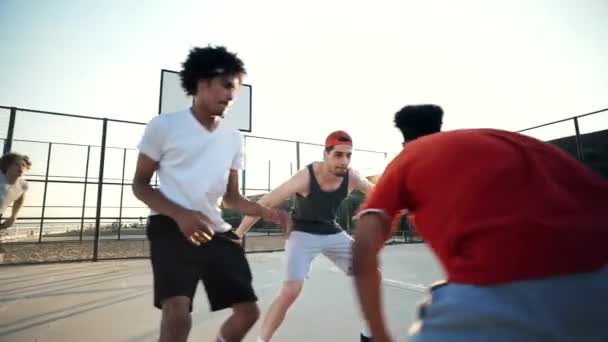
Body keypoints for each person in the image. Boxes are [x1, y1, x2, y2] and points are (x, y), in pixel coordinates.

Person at [351, 104, 608, 342]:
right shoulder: (508, 139)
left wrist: (380, 335)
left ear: (404, 140)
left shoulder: (408, 158)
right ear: (439, 127)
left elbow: (364, 248)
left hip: (496, 290)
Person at [132, 46, 289, 342]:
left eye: (236, 88)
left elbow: (232, 198)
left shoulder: (233, 137)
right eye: (227, 84)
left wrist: (269, 213)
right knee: (178, 311)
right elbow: (140, 184)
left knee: (247, 313)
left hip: (213, 229)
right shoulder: (164, 126)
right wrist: (180, 215)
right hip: (169, 226)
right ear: (202, 82)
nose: (232, 94)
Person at [235, 130, 375, 342]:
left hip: (331, 230)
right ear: (326, 154)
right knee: (291, 290)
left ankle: (368, 335)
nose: (344, 161)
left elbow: (375, 191)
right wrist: (237, 234)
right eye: (338, 155)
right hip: (302, 233)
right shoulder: (306, 177)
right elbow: (266, 203)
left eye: (348, 155)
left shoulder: (352, 176)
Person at [0, 152, 31, 230]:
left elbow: (19, 199)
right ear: (7, 165)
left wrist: (13, 217)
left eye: (23, 165)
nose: (20, 167)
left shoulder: (23, 184)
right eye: (16, 164)